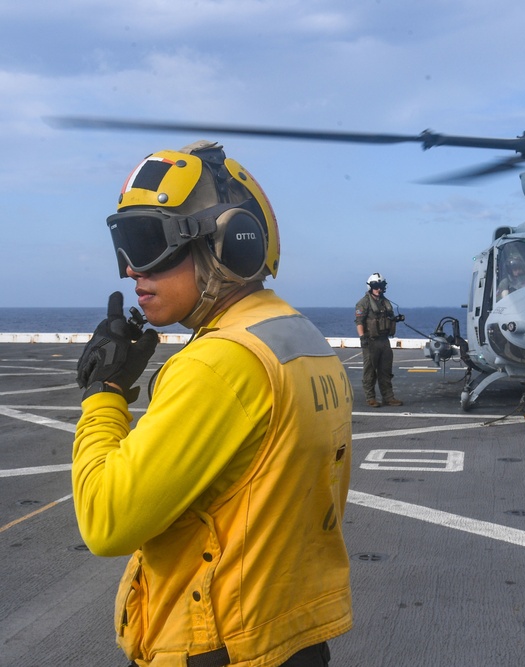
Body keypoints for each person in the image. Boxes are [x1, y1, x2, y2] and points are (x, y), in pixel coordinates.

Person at [72, 140, 353, 667]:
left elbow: (105, 520)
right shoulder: (301, 339)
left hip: (217, 644)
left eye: (148, 242)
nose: (132, 271)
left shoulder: (217, 363)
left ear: (229, 244)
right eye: (125, 247)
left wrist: (104, 395)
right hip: (289, 635)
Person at [355, 273, 404, 407]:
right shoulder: (363, 303)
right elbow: (359, 321)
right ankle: (370, 397)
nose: (378, 289)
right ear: (371, 287)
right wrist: (362, 338)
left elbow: (389, 317)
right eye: (376, 286)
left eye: (381, 286)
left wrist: (397, 319)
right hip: (370, 341)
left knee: (385, 370)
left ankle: (388, 397)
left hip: (384, 341)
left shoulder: (385, 302)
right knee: (370, 371)